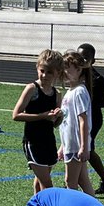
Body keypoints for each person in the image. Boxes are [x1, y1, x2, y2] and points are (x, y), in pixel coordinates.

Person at [12, 49, 63, 194]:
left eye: (50, 72)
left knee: (39, 183)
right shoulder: (32, 89)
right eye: (42, 70)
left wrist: (58, 116)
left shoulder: (56, 94)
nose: (45, 75)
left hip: (48, 141)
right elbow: (16, 115)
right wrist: (42, 116)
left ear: (57, 73)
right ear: (37, 68)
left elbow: (54, 124)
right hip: (33, 141)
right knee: (47, 184)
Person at [76, 43, 104, 194]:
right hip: (80, 117)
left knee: (86, 148)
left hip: (92, 118)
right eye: (79, 57)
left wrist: (89, 101)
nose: (82, 60)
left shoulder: (97, 78)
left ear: (93, 60)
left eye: (86, 58)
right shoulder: (76, 73)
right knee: (83, 148)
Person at [58, 49, 95, 195]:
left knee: (70, 181)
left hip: (76, 145)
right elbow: (68, 121)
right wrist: (62, 145)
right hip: (70, 144)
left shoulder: (79, 91)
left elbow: (83, 121)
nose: (64, 72)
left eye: (67, 68)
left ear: (79, 70)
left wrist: (84, 147)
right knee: (83, 181)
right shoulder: (70, 91)